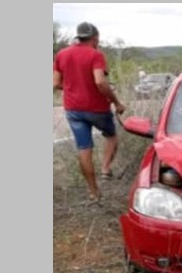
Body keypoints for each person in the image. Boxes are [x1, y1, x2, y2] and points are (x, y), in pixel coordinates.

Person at [53, 22, 127, 203]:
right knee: (111, 136)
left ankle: (94, 192)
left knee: (84, 149)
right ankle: (105, 169)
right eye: (97, 39)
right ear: (94, 38)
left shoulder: (61, 54)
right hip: (97, 109)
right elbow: (100, 82)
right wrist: (116, 102)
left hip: (73, 110)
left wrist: (73, 88)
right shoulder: (95, 55)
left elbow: (55, 83)